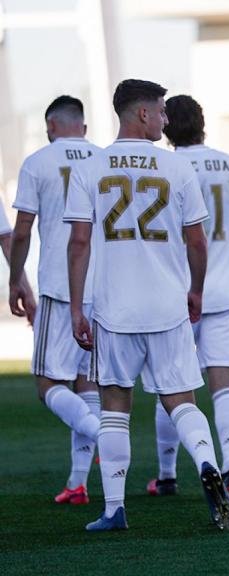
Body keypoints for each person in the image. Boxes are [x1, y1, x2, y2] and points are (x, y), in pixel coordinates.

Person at [65, 79, 229, 531]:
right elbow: (196, 240)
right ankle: (204, 462)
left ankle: (114, 509)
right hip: (167, 305)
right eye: (160, 111)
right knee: (181, 400)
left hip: (114, 309)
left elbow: (79, 241)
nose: (164, 119)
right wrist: (196, 289)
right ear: (142, 114)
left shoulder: (92, 165)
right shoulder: (176, 168)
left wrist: (76, 307)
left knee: (115, 407)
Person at [145, 94, 229, 500]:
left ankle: (168, 474)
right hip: (224, 286)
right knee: (225, 386)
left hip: (178, 292)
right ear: (203, 124)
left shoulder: (168, 166)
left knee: (170, 383)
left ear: (168, 125)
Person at [8, 95, 100, 505]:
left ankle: (108, 439)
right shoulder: (103, 159)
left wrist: (15, 280)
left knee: (48, 384)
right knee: (88, 385)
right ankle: (79, 482)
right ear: (82, 124)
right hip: (103, 288)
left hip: (61, 287)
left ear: (50, 124)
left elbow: (22, 230)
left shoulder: (38, 162)